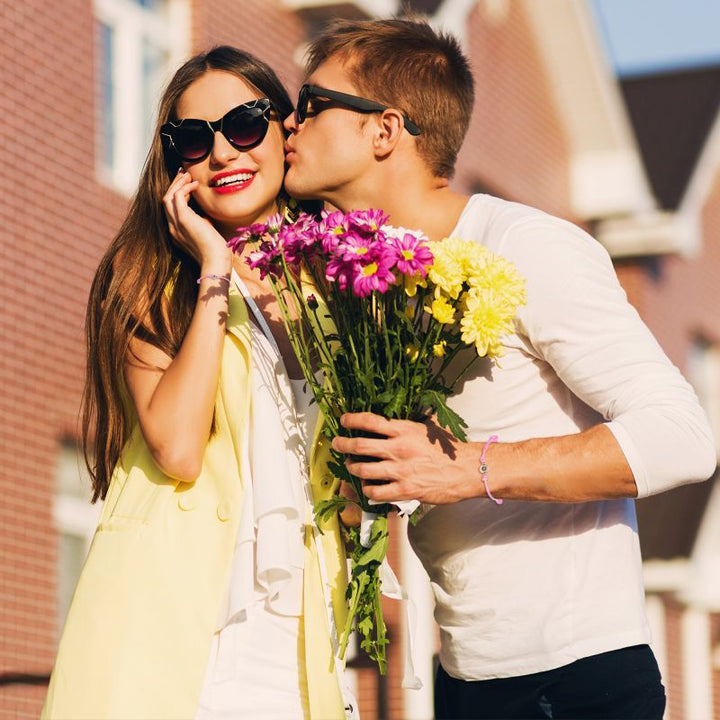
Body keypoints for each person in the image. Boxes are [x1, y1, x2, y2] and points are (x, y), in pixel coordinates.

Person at [282, 17, 717, 720]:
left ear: (384, 130)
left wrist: (468, 467)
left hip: (575, 683)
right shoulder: (362, 288)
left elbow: (683, 438)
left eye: (311, 104)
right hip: (463, 682)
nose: (289, 125)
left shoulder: (529, 247)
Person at [42, 46, 352, 720]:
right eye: (193, 139)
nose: (222, 153)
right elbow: (178, 448)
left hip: (302, 647)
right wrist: (215, 266)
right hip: (182, 649)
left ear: (283, 128)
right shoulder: (149, 283)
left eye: (243, 123)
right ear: (174, 162)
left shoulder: (343, 284)